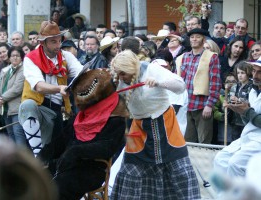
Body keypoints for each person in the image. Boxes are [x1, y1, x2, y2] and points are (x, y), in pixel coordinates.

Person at [110, 50, 200, 199]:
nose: (121, 77)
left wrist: (159, 83)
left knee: (177, 167)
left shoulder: (151, 69)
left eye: (123, 73)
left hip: (165, 123)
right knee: (131, 167)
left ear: (132, 68)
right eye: (118, 73)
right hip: (139, 126)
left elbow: (180, 86)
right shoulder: (117, 79)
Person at [18, 21, 83, 157]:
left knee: (56, 153)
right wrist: (59, 88)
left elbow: (81, 73)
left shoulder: (66, 56)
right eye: (54, 42)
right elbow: (39, 86)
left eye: (59, 41)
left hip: (58, 110)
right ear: (43, 43)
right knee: (27, 105)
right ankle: (38, 155)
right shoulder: (30, 58)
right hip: (38, 108)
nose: (58, 45)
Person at [213, 57, 261, 177]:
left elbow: (251, 115)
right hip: (249, 136)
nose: (255, 75)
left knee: (236, 164)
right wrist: (239, 110)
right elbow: (249, 119)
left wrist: (246, 111)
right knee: (220, 159)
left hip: (259, 140)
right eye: (254, 71)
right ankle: (225, 195)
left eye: (259, 72)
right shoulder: (254, 91)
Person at [175, 28, 221, 144]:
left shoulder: (212, 57)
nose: (194, 39)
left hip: (202, 106)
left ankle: (204, 163)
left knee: (204, 143)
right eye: (192, 37)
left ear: (203, 39)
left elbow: (215, 83)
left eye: (198, 37)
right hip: (185, 105)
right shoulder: (182, 57)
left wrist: (209, 105)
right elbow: (176, 81)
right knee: (187, 142)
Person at [0, 46, 27, 147]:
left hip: (17, 108)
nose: (15, 58)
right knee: (11, 135)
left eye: (17, 55)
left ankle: (22, 160)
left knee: (18, 134)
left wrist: (2, 98)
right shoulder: (6, 70)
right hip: (5, 109)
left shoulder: (23, 69)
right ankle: (14, 160)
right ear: (9, 58)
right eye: (12, 56)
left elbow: (17, 88)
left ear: (22, 57)